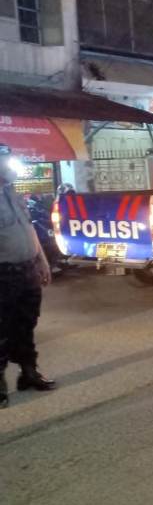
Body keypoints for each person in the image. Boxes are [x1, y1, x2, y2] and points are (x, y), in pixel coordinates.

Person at [0, 145, 56, 408]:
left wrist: (42, 260)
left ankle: (28, 372)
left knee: (26, 324)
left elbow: (28, 228)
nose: (11, 168)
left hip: (27, 270)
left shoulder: (12, 192)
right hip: (4, 274)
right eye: (6, 163)